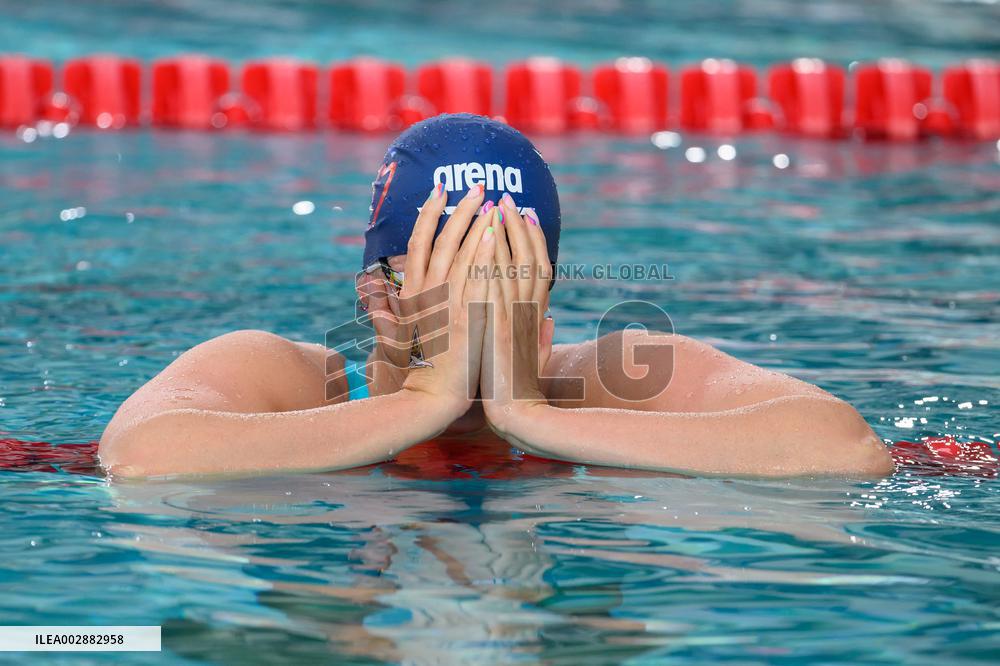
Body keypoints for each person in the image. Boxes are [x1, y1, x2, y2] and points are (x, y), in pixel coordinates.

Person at [98, 114, 893, 478]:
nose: (480, 310)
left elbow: (846, 451)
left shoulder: (608, 378)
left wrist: (529, 417)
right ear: (377, 296)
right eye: (451, 278)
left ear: (544, 300)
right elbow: (139, 457)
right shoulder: (283, 379)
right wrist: (424, 399)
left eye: (507, 275)